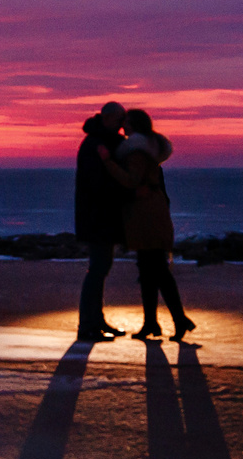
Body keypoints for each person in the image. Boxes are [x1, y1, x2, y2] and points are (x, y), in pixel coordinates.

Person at [111, 109, 194, 339]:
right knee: (150, 270)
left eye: (126, 123)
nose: (122, 127)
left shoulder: (136, 151)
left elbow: (131, 180)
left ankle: (176, 320)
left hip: (146, 215)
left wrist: (108, 163)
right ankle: (156, 323)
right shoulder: (150, 151)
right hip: (154, 212)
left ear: (134, 125)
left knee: (154, 270)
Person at [72, 102, 131, 340]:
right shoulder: (97, 144)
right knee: (98, 269)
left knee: (100, 268)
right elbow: (98, 184)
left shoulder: (101, 141)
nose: (122, 124)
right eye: (119, 119)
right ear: (108, 119)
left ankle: (96, 321)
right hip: (99, 217)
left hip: (99, 216)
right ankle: (88, 325)